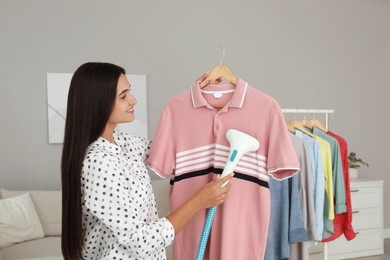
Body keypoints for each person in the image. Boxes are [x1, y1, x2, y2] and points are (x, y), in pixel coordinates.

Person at [61, 62, 233, 260]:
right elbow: (140, 241)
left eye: (130, 92)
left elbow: (169, 148)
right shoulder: (99, 164)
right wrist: (197, 202)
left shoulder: (123, 143)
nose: (133, 100)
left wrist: (195, 100)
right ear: (99, 102)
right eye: (123, 96)